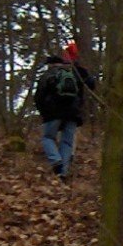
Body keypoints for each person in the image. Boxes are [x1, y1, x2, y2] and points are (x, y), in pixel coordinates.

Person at [32, 41, 96, 179]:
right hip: (73, 113)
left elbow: (39, 96)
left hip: (52, 113)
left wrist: (43, 112)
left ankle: (56, 161)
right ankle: (63, 173)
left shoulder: (49, 74)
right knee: (67, 142)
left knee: (48, 137)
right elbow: (92, 85)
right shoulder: (77, 72)